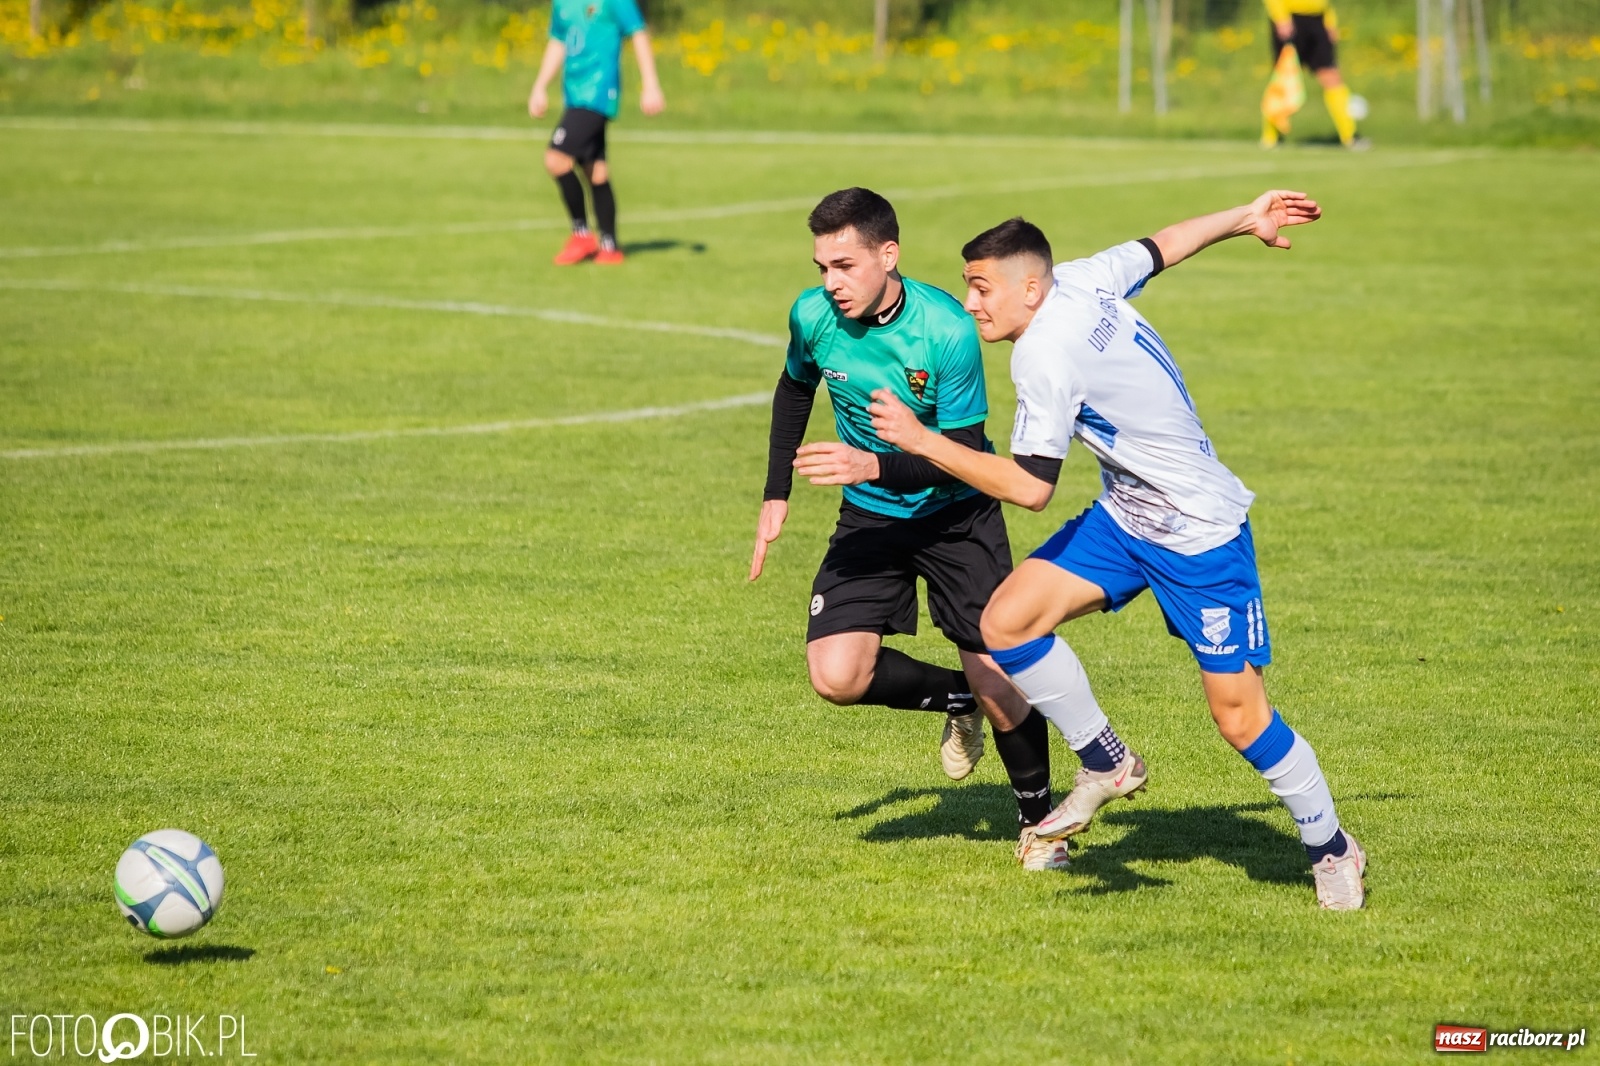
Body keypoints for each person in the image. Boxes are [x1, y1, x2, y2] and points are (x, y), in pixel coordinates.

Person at [867, 191, 1369, 909]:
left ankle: (1332, 849)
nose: (971, 303)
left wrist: (922, 442)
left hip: (1199, 532)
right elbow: (1164, 243)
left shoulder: (1042, 354)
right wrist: (1243, 217)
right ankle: (1107, 760)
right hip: (1127, 518)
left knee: (1240, 718)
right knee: (1005, 622)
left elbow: (1031, 488)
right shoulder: (1082, 277)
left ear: (1028, 287)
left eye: (982, 288)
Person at [750, 187, 1068, 872]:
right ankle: (960, 699)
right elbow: (794, 386)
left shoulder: (946, 330)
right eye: (821, 268)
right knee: (835, 674)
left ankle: (1042, 825)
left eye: (845, 265)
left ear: (887, 255)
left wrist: (870, 461)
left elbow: (961, 460)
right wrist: (776, 493)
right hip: (871, 513)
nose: (831, 284)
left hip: (956, 514)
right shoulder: (812, 316)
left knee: (1003, 679)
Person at [528, 0, 665, 266]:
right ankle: (610, 245)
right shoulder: (563, 4)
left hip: (599, 94)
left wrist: (650, 84)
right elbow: (559, 41)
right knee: (596, 170)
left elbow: (638, 32)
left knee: (556, 158)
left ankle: (581, 234)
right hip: (574, 95)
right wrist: (540, 86)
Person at [1260, 0, 1366, 149]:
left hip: (1318, 20)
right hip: (1290, 18)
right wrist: (1280, 16)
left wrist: (1330, 22)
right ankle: (1271, 136)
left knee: (1331, 76)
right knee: (1283, 78)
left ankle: (1349, 136)